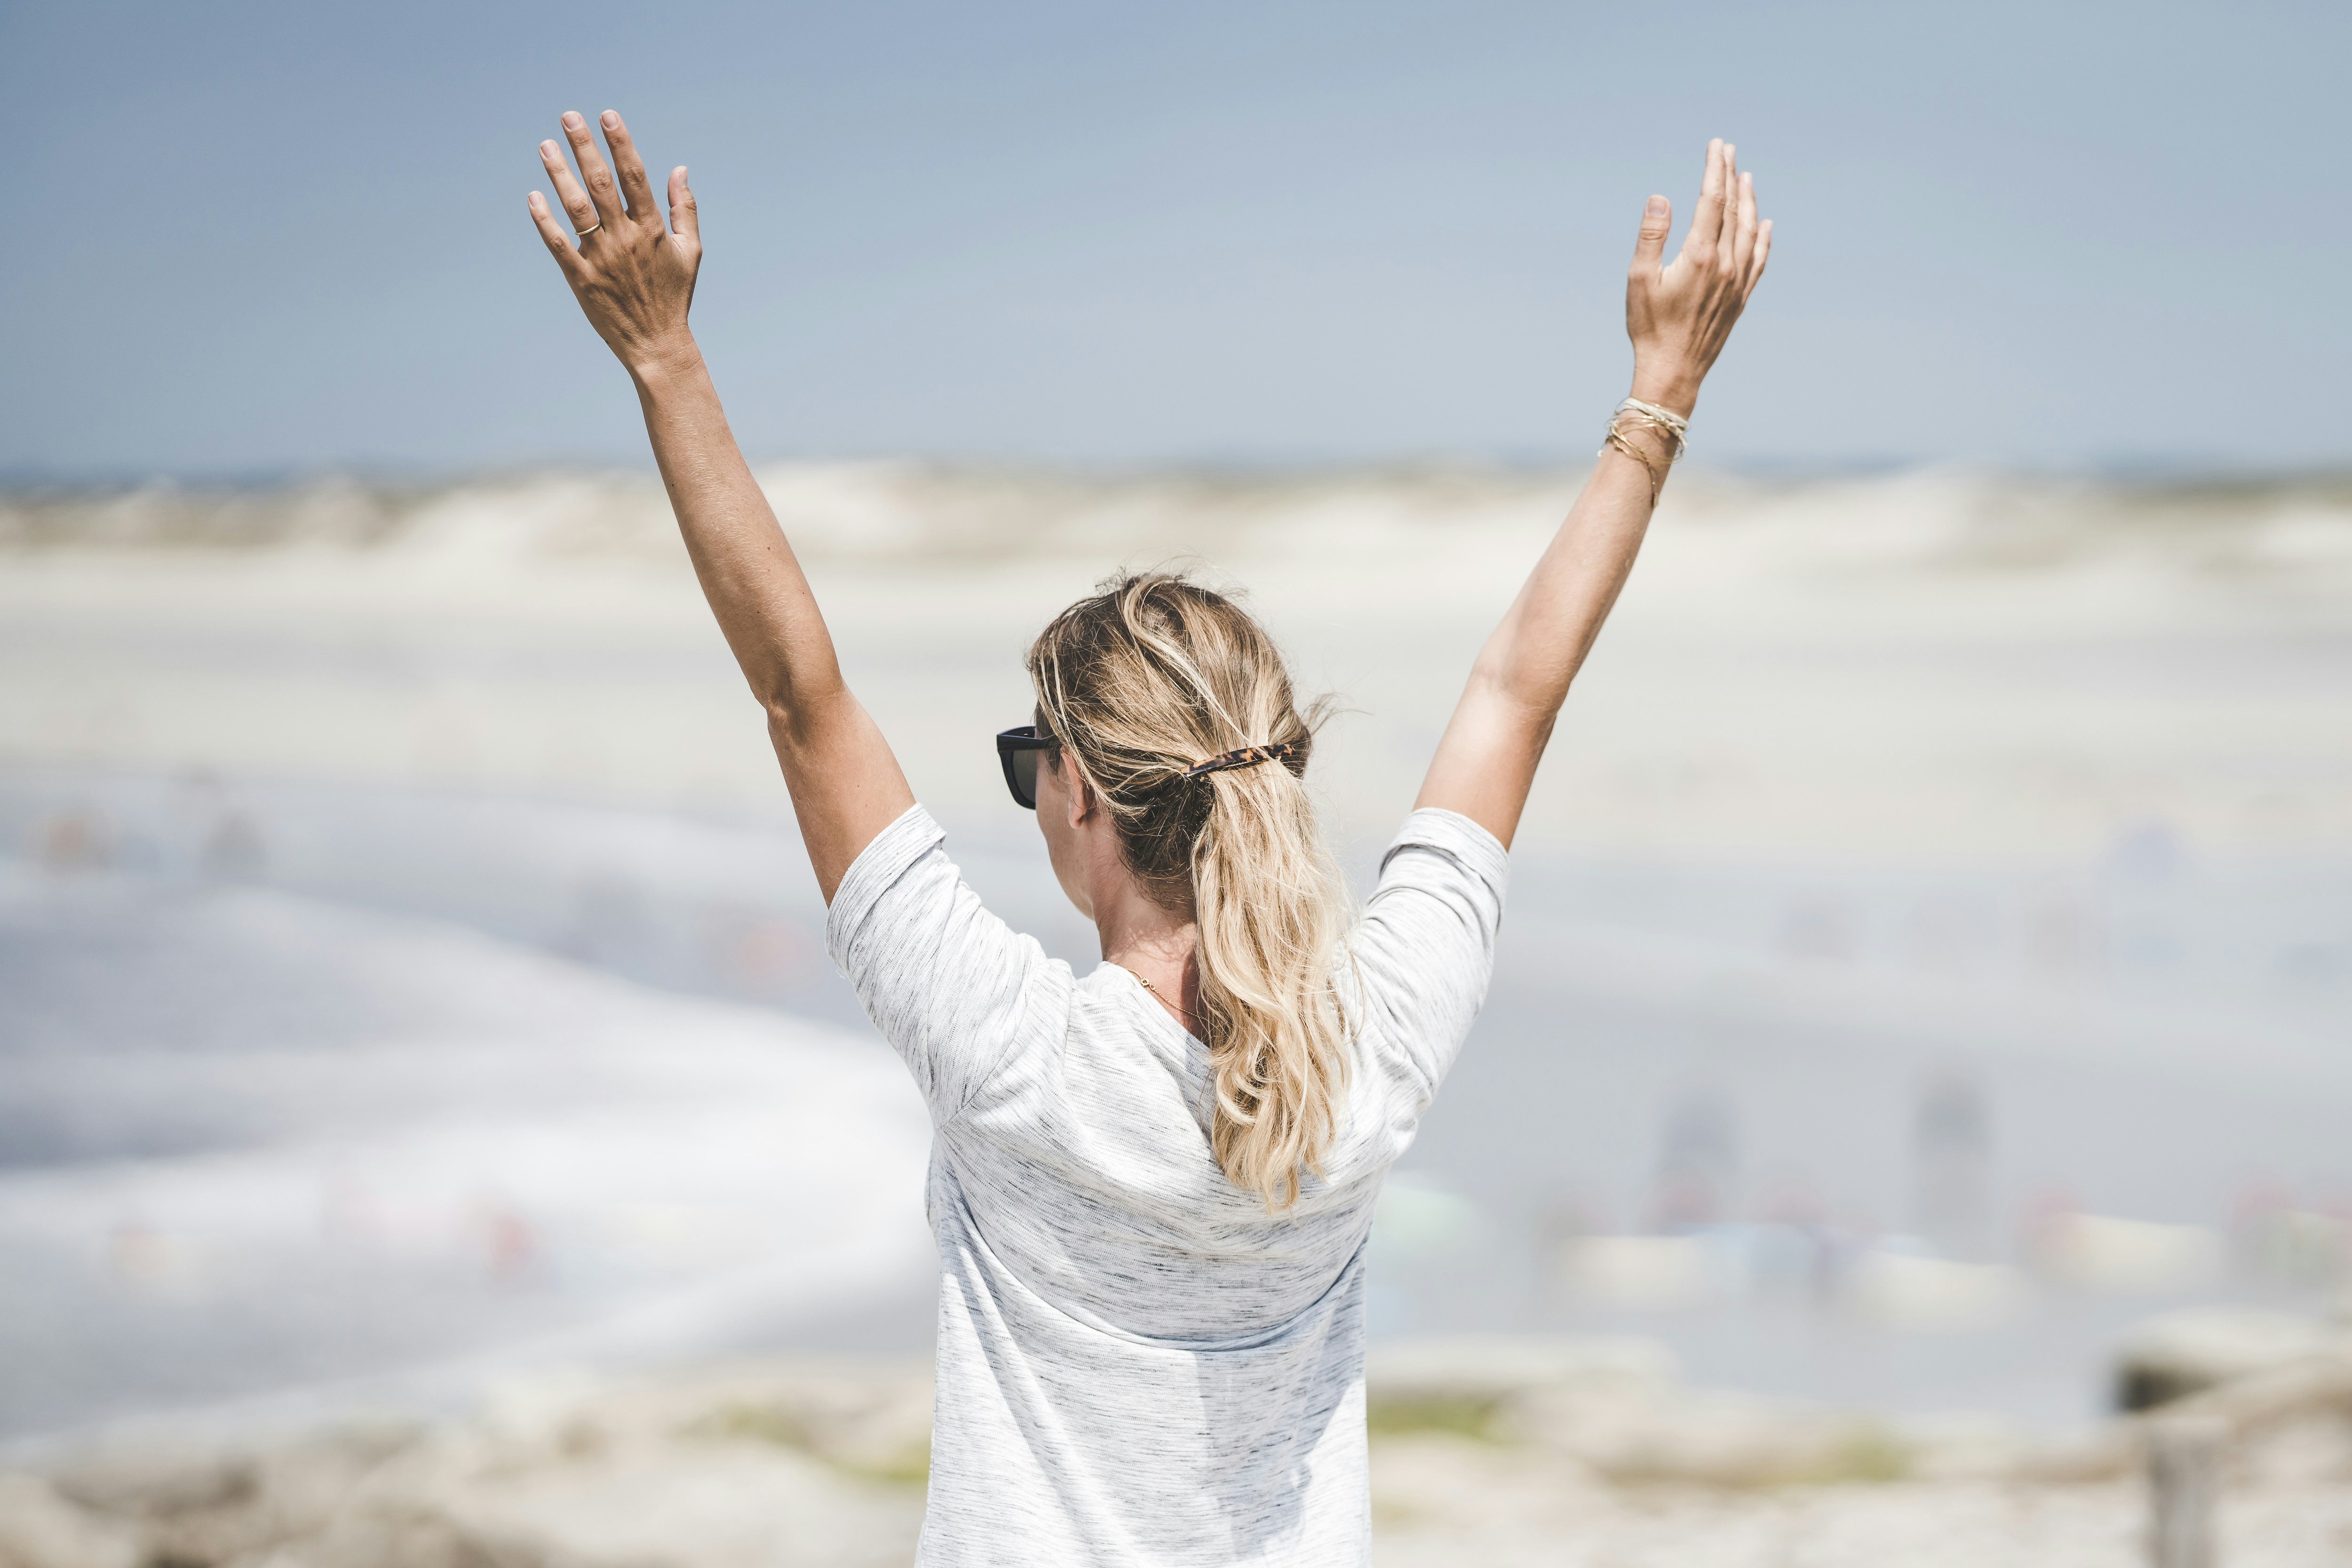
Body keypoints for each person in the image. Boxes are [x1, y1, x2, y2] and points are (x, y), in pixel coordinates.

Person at [527, 109, 1768, 1567]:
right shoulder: (1363, 1066)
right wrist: (1662, 389)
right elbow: (1516, 696)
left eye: (1025, 757)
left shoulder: (1013, 1062)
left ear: (1082, 796)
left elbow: (803, 695)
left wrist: (663, 358)